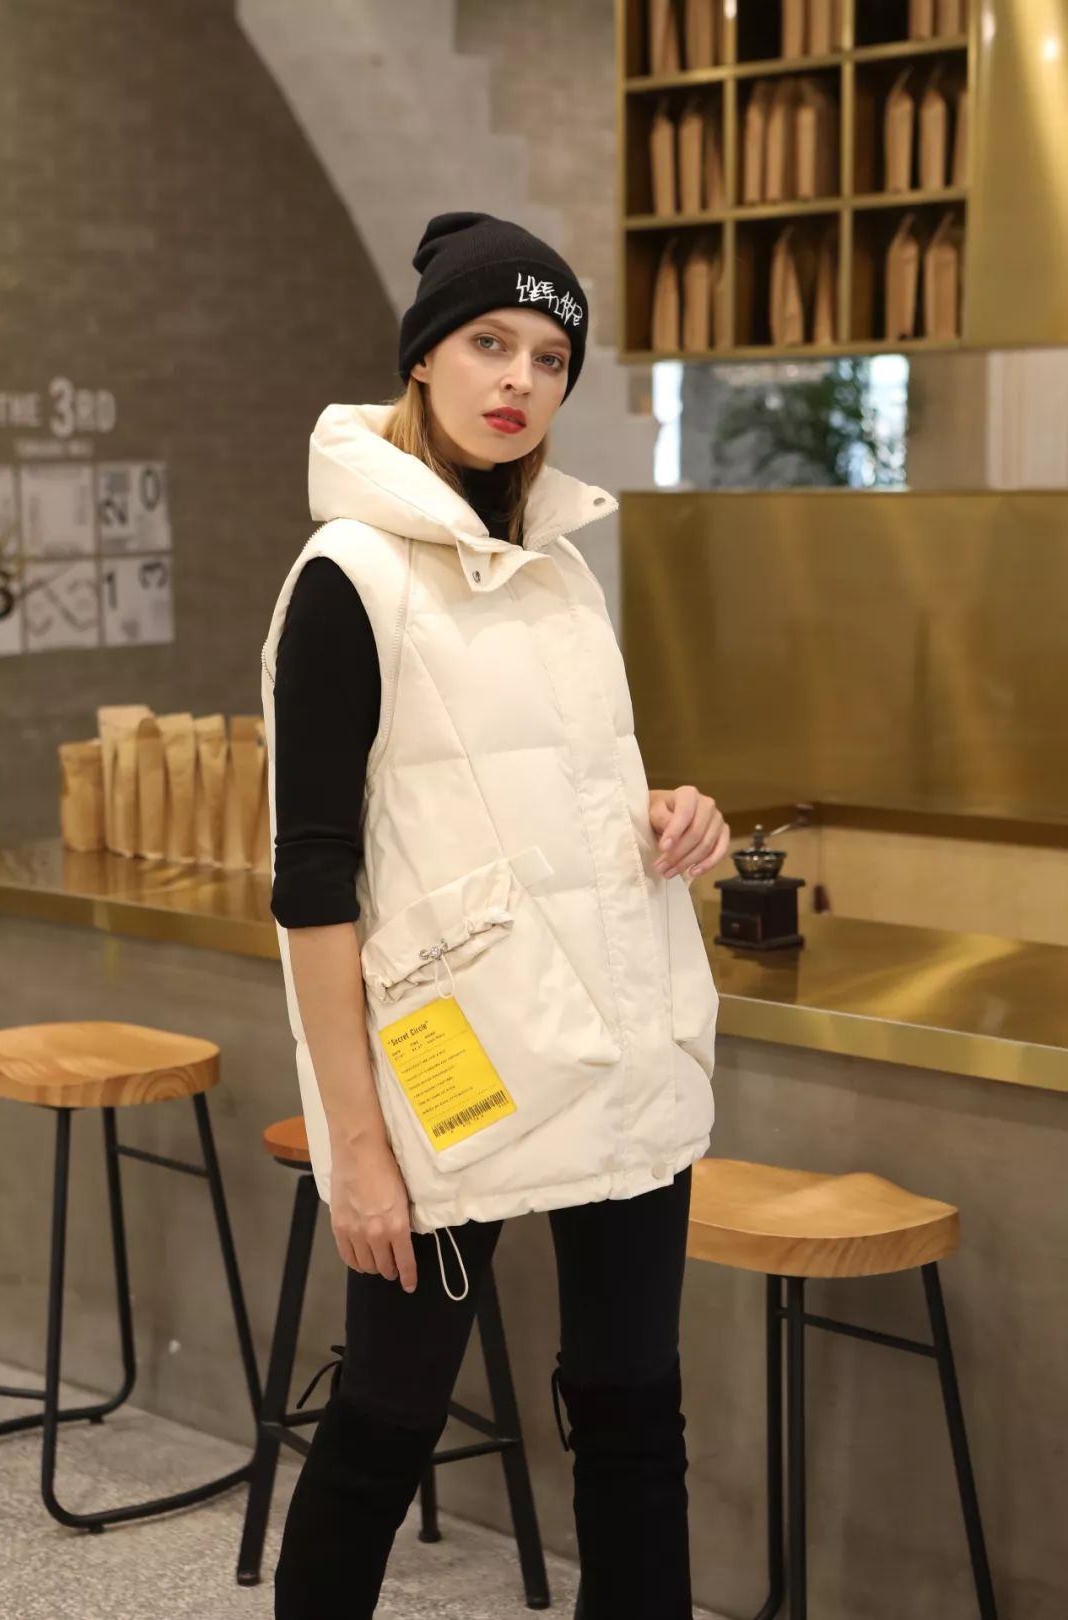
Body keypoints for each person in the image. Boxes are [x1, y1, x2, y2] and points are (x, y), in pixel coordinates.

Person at [260, 210, 729, 1620]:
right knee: (385, 1423)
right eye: (488, 342)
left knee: (636, 1423)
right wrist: (357, 1149)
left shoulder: (565, 570)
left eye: (550, 355)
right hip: (452, 1082)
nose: (520, 378)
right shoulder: (347, 579)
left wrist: (669, 816)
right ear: (424, 357)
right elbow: (312, 886)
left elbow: (561, 803)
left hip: (620, 1048)